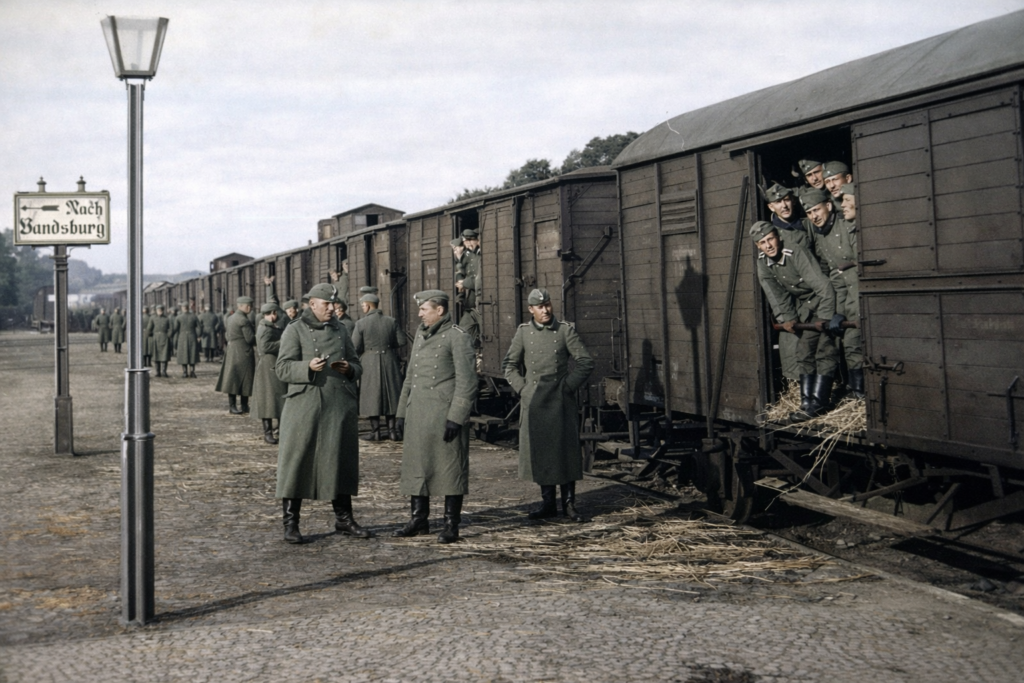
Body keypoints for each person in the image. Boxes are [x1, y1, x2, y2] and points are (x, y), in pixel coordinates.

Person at [275, 283, 370, 544]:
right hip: (305, 406)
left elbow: (358, 365)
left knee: (339, 461)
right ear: (312, 304)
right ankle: (291, 523)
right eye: (326, 304)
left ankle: (344, 519)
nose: (332, 308)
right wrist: (306, 366)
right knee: (297, 463)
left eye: (333, 303)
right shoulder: (295, 330)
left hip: (338, 406)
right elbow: (281, 368)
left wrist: (349, 368)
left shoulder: (341, 329)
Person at [502, 288, 595, 522]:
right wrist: (523, 389)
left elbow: (585, 362)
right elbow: (509, 365)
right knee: (541, 453)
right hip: (534, 402)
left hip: (560, 402)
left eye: (548, 305)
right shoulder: (523, 333)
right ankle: (548, 503)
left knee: (565, 453)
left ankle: (569, 504)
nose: (545, 310)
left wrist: (567, 386)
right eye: (540, 307)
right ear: (531, 310)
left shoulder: (564, 331)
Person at [393, 290, 477, 543]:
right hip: (418, 411)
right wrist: (400, 413)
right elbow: (410, 375)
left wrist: (457, 416)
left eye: (423, 309)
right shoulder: (421, 333)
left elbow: (468, 381)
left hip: (444, 414)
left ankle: (452, 524)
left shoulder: (457, 337)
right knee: (418, 466)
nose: (419, 314)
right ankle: (419, 520)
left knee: (450, 468)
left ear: (439, 310)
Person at [751, 220, 839, 421]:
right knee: (804, 351)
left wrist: (825, 319)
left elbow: (824, 286)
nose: (769, 245)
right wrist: (787, 318)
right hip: (807, 308)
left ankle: (819, 402)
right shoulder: (763, 261)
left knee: (824, 349)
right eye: (763, 242)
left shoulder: (794, 252)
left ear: (778, 237)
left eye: (771, 239)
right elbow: (775, 293)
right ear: (758, 246)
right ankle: (807, 403)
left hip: (827, 301)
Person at [803, 187, 864, 399]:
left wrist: (852, 310)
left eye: (816, 210)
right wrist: (839, 311)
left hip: (861, 294)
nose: (814, 216)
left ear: (828, 206)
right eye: (809, 213)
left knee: (853, 341)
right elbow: (837, 278)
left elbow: (857, 271)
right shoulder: (822, 237)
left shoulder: (847, 225)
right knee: (837, 342)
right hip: (847, 297)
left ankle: (860, 394)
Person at [352, 292, 406, 441]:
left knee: (371, 395)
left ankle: (375, 432)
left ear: (368, 305)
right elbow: (401, 341)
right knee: (392, 395)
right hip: (389, 360)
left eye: (363, 305)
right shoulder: (391, 321)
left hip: (369, 361)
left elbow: (354, 346)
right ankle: (392, 431)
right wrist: (388, 346)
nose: (362, 308)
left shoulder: (361, 323)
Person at [215, 296, 256, 415]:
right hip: (243, 352)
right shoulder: (244, 320)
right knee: (246, 378)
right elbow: (250, 339)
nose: (250, 308)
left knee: (232, 377)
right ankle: (244, 405)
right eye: (248, 306)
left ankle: (232, 405)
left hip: (232, 350)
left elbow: (227, 336)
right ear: (241, 306)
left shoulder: (230, 318)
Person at [254, 302, 287, 444]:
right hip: (268, 366)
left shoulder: (268, 327)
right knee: (268, 400)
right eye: (275, 313)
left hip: (271, 365)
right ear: (272, 313)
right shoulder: (265, 329)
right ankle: (268, 432)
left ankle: (278, 429)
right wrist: (282, 342)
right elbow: (265, 346)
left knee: (276, 398)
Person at [456, 229, 481, 343]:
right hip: (471, 303)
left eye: (471, 240)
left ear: (478, 240)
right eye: (466, 242)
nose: (469, 244)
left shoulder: (481, 255)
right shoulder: (470, 255)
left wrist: (464, 283)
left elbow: (480, 278)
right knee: (463, 332)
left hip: (481, 302)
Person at [173, 303, 200, 378]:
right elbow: (199, 327)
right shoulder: (194, 316)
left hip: (182, 337)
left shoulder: (179, 317)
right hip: (192, 336)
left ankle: (185, 372)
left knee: (183, 354)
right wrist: (198, 335)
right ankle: (192, 371)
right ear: (188, 308)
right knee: (192, 354)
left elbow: (175, 329)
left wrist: (170, 334)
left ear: (182, 308)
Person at [146, 304, 173, 377]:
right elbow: (149, 328)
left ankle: (164, 372)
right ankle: (158, 372)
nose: (159, 311)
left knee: (164, 356)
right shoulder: (152, 318)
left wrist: (168, 335)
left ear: (163, 310)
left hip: (164, 338)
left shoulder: (167, 318)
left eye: (161, 310)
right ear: (156, 311)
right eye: (158, 310)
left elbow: (171, 328)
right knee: (156, 356)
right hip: (156, 338)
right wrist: (149, 335)